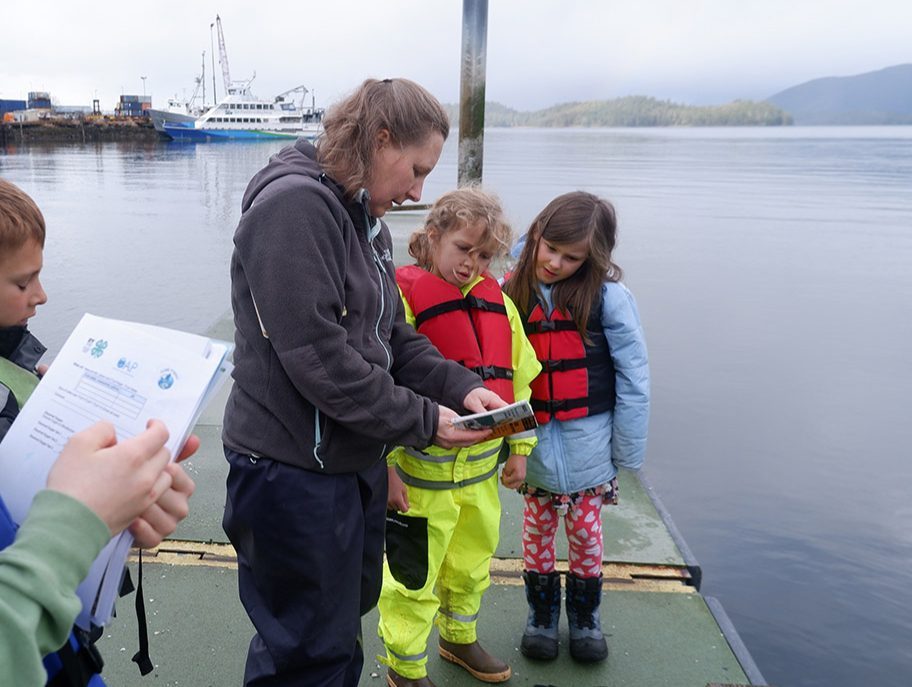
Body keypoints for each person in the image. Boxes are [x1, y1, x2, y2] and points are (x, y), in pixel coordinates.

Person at [221, 78, 507, 687]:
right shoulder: (293, 209)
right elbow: (320, 359)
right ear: (380, 140)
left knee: (339, 630)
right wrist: (427, 423)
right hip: (289, 470)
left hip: (348, 464)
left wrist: (459, 387)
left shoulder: (362, 215)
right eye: (416, 169)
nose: (417, 192)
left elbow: (391, 336)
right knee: (302, 650)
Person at [0, 177, 198, 686]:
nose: (41, 296)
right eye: (22, 284)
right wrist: (79, 519)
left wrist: (116, 501)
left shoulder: (16, 364)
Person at [378, 188, 541, 687]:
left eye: (485, 255)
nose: (472, 264)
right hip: (420, 483)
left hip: (481, 478)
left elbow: (522, 376)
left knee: (471, 567)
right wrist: (383, 467)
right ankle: (406, 668)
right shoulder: (399, 301)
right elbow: (378, 385)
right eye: (462, 249)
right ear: (432, 239)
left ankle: (458, 638)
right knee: (411, 580)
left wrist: (519, 449)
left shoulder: (502, 307)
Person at [502, 191, 650, 663]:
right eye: (550, 249)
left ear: (593, 258)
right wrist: (507, 450)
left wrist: (625, 453)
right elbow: (497, 373)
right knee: (536, 534)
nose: (556, 262)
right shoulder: (510, 292)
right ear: (537, 234)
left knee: (586, 537)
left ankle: (586, 618)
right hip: (537, 452)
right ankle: (541, 616)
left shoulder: (610, 299)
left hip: (590, 451)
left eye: (572, 258)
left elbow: (634, 377)